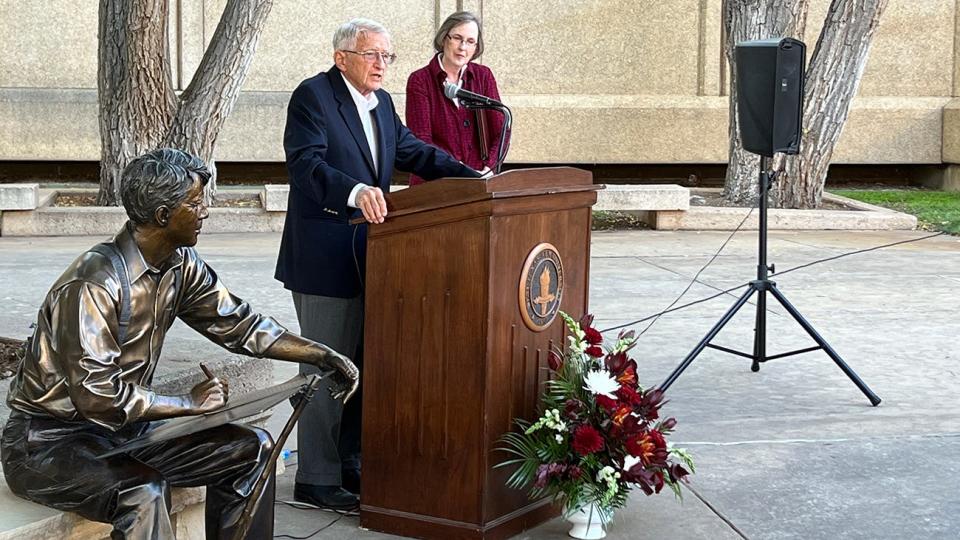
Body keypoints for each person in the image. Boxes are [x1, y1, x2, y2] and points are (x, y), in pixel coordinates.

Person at [1, 148, 359, 540]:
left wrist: (321, 354)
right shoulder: (93, 283)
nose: (205, 210)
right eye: (195, 202)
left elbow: (240, 324)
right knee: (143, 491)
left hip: (125, 432)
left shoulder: (180, 264)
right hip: (47, 444)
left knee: (253, 447)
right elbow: (96, 397)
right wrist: (187, 404)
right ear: (162, 215)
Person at [275, 18, 481, 511]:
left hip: (377, 258)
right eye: (372, 55)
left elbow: (412, 151)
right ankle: (315, 480)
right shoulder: (313, 97)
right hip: (325, 258)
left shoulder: (383, 104)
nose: (381, 65)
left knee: (365, 366)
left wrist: (473, 177)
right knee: (328, 369)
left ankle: (348, 463)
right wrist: (356, 191)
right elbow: (306, 165)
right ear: (341, 56)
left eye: (387, 56)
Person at [405, 11, 505, 186]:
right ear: (444, 38)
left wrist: (488, 169)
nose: (463, 47)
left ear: (476, 47)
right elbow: (422, 140)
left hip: (479, 182)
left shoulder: (483, 76)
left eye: (470, 41)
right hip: (434, 184)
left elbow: (501, 130)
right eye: (457, 38)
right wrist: (459, 171)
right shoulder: (420, 80)